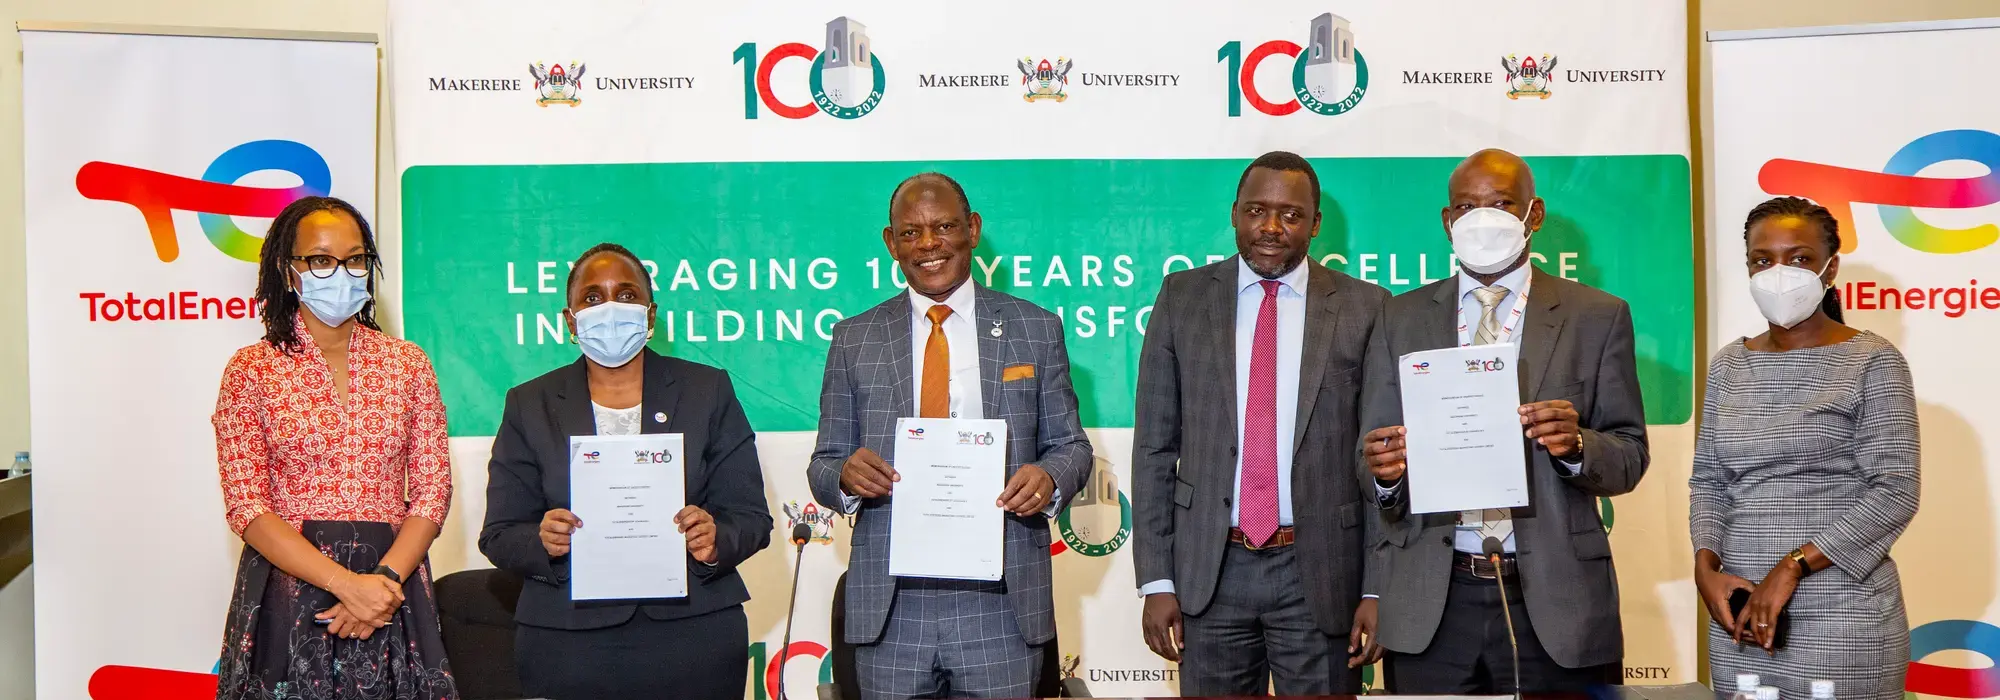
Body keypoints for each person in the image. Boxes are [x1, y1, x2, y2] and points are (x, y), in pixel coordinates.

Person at [1359, 149, 1648, 693]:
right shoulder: (1399, 318)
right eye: (1466, 207)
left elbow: (1629, 457)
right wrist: (1385, 474)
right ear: (1447, 221)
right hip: (1432, 602)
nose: (1482, 219)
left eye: (1501, 204)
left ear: (1534, 214)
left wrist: (1576, 446)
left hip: (1558, 600)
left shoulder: (1597, 316)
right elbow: (1368, 458)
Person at [806, 172, 1093, 700]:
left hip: (1000, 599)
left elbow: (1072, 446)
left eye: (943, 227)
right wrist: (844, 475)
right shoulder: (854, 338)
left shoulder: (1035, 328)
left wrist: (1049, 476)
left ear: (973, 229)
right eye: (910, 233)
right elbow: (824, 463)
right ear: (891, 243)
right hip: (893, 605)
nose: (928, 243)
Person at [1130, 151, 1389, 695]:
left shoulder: (1366, 308)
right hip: (1209, 572)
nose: (1271, 227)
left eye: (1291, 215)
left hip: (1322, 575)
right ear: (1234, 213)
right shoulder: (1182, 298)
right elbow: (1154, 447)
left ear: (1315, 224)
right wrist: (1156, 579)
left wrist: (1376, 588)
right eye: (1256, 211)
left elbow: (1380, 461)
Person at [480, 243, 772, 699]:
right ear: (570, 320)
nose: (611, 308)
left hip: (695, 634)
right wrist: (542, 540)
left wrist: (715, 539)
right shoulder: (529, 403)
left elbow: (751, 518)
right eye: (593, 297)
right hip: (567, 640)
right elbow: (499, 533)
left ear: (651, 315)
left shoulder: (706, 389)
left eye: (627, 294)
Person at [212, 196, 457, 699]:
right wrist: (346, 585)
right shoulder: (251, 369)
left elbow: (432, 492)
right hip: (290, 587)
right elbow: (247, 506)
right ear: (288, 271)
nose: (341, 273)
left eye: (355, 259)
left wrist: (381, 584)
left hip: (392, 588)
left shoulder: (408, 364)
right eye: (321, 260)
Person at [1691, 197, 1919, 700]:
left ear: (1829, 268)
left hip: (1843, 614)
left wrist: (1793, 564)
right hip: (1738, 614)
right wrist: (1705, 568)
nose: (1779, 272)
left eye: (1798, 258)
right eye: (1763, 259)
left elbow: (1895, 491)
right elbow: (1708, 480)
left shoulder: (1872, 361)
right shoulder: (1728, 364)